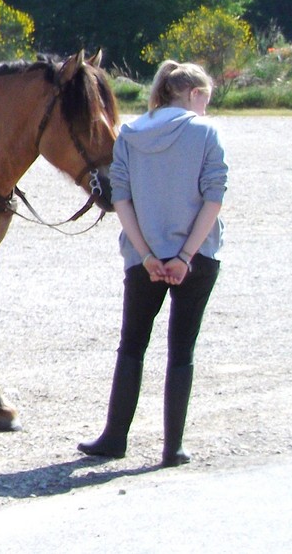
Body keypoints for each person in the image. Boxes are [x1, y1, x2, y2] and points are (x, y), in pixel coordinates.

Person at [79, 60, 227, 467]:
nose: (205, 109)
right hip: (196, 257)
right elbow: (213, 197)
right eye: (205, 101)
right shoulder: (205, 132)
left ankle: (114, 437)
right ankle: (172, 446)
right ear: (195, 95)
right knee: (181, 350)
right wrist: (184, 256)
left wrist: (145, 254)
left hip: (141, 259)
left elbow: (119, 198)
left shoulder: (129, 133)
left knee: (132, 346)